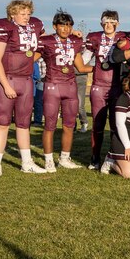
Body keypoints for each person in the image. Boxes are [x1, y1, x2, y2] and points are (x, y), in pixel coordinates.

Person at [0, 0, 46, 177]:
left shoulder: (34, 26)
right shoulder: (4, 27)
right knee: (3, 124)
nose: (27, 16)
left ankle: (26, 162)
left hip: (26, 80)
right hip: (8, 80)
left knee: (23, 124)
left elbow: (45, 44)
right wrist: (5, 85)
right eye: (22, 13)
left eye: (28, 13)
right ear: (12, 14)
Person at [36, 11, 93, 172]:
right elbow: (31, 58)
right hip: (52, 86)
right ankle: (48, 160)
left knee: (69, 125)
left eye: (69, 25)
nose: (66, 28)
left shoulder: (75, 42)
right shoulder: (46, 41)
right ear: (55, 26)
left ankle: (64, 158)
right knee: (50, 126)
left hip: (70, 86)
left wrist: (102, 68)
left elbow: (81, 67)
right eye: (62, 25)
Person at [84, 10, 127, 170]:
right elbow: (84, 60)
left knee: (117, 124)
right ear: (101, 23)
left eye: (112, 22)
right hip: (99, 86)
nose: (109, 25)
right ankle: (95, 157)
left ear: (117, 23)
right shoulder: (94, 37)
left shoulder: (124, 37)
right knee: (98, 124)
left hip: (117, 86)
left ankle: (113, 155)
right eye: (106, 22)